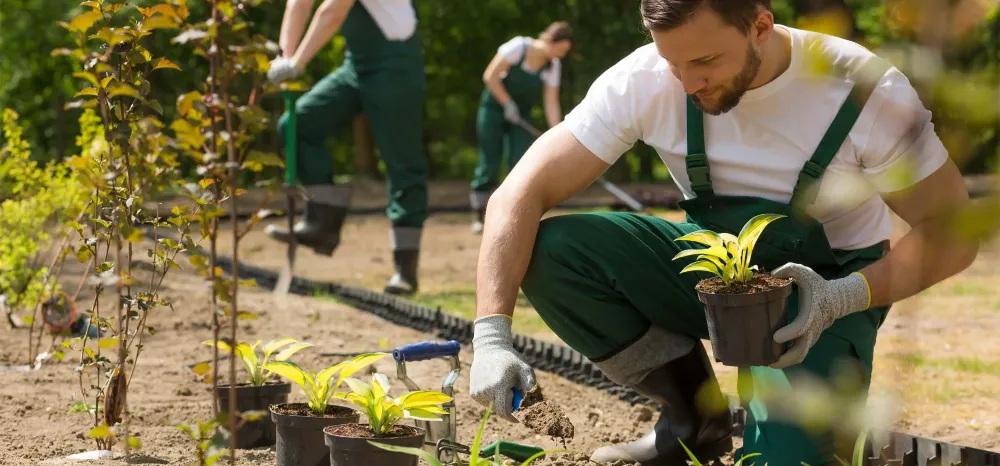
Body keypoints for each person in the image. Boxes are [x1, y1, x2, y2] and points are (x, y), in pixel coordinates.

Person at [467, 1, 979, 465]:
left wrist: (839, 298)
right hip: (713, 272)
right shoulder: (646, 80)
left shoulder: (864, 92)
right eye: (673, 63)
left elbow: (951, 232)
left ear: (760, 26)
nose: (687, 84)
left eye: (705, 62)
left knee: (785, 461)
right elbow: (517, 195)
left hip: (826, 291)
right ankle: (694, 419)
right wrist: (491, 338)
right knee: (555, 252)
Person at [265, 0, 429, 295]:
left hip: (395, 65)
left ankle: (405, 270)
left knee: (402, 163)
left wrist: (299, 62)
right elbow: (299, 4)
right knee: (296, 125)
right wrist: (284, 57)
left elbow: (332, 11)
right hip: (357, 64)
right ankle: (322, 225)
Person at [469, 22, 574, 234]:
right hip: (494, 109)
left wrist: (557, 133)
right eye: (560, 50)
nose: (560, 56)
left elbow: (551, 102)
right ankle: (479, 216)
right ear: (550, 40)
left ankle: (509, 215)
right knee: (489, 161)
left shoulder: (553, 66)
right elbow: (490, 76)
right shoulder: (518, 47)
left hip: (521, 117)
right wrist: (507, 103)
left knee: (519, 161)